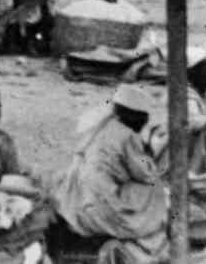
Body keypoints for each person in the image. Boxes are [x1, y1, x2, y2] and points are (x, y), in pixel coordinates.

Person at [54, 83, 166, 263]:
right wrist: (151, 147)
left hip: (80, 200)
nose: (145, 122)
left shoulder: (102, 127)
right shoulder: (126, 135)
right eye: (143, 118)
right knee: (154, 187)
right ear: (134, 116)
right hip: (101, 207)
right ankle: (146, 235)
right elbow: (145, 173)